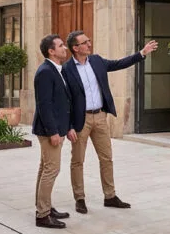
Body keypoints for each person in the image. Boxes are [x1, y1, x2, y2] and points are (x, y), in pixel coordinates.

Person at [63, 32, 157, 214]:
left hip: (99, 117)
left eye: (89, 40)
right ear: (75, 48)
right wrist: (69, 126)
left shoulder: (97, 61)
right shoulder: (67, 69)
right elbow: (64, 100)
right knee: (77, 161)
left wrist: (142, 53)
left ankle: (110, 196)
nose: (89, 44)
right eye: (85, 42)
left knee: (106, 158)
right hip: (79, 120)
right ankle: (80, 198)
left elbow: (118, 64)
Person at [32, 34, 76, 229]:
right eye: (60, 46)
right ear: (51, 51)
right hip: (50, 130)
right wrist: (53, 132)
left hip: (58, 127)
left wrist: (67, 127)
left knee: (45, 168)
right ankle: (43, 215)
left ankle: (45, 207)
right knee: (52, 169)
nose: (65, 49)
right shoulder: (45, 72)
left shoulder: (57, 70)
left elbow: (63, 102)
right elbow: (44, 105)